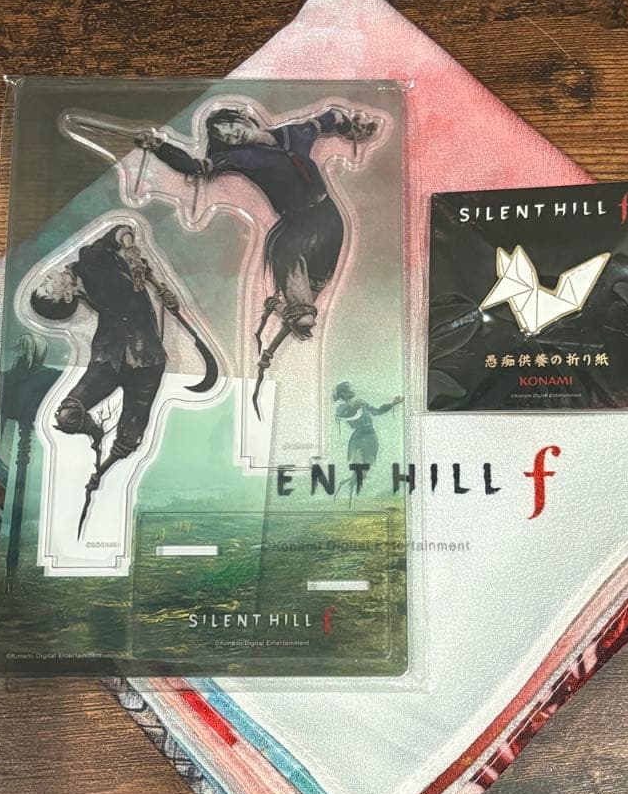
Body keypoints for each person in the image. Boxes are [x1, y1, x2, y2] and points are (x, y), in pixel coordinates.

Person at [137, 104, 379, 415]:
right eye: (226, 137)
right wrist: (158, 146)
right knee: (299, 300)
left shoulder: (294, 135)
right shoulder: (241, 157)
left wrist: (354, 130)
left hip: (330, 221)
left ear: (244, 117)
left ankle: (284, 311)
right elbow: (194, 167)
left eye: (232, 127)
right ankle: (289, 313)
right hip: (295, 228)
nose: (233, 136)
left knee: (315, 289)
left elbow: (329, 118)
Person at [30, 223, 178, 534]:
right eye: (49, 286)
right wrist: (93, 430)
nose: (49, 278)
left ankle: (101, 477)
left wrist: (131, 250)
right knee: (67, 415)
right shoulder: (84, 283)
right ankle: (97, 436)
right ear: (66, 296)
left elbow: (121, 229)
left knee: (129, 438)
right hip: (108, 359)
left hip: (148, 360)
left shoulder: (90, 258)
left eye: (45, 282)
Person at [332, 381, 402, 501]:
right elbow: (343, 415)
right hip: (358, 438)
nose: (353, 391)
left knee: (364, 472)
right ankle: (349, 497)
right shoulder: (341, 407)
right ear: (342, 393)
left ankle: (346, 487)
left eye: (352, 389)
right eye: (349, 390)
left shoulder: (362, 402)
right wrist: (353, 407)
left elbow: (376, 412)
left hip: (371, 436)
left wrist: (393, 403)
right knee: (359, 470)